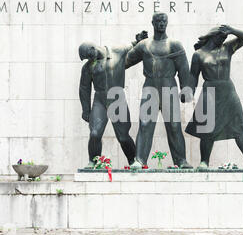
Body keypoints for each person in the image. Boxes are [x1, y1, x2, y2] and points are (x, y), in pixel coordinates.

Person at [185, 25, 243, 170]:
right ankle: (204, 162)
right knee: (207, 129)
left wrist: (232, 30)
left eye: (225, 37)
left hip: (228, 91)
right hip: (210, 91)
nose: (223, 39)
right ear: (212, 35)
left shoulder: (227, 48)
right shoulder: (198, 55)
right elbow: (193, 76)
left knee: (240, 127)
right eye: (221, 36)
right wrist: (188, 91)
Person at [126, 12, 193, 169]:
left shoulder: (174, 44)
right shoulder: (144, 45)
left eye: (164, 21)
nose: (161, 23)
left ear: (167, 23)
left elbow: (183, 67)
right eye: (158, 21)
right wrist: (133, 44)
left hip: (169, 86)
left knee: (174, 125)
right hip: (150, 87)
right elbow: (126, 62)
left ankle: (181, 161)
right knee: (145, 124)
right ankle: (140, 160)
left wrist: (186, 89)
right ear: (153, 23)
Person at [79, 31, 147, 167]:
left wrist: (139, 41)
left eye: (88, 56)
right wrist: (86, 110)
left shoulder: (117, 51)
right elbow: (84, 89)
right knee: (94, 133)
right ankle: (94, 162)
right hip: (100, 99)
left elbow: (133, 47)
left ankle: (134, 161)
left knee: (123, 136)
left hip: (117, 97)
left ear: (93, 48)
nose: (88, 59)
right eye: (86, 58)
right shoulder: (87, 67)